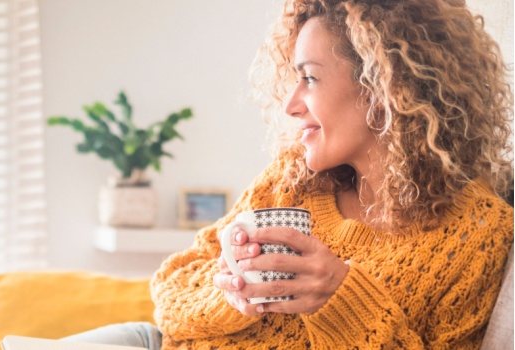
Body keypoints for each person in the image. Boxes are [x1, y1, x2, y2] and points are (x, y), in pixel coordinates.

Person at [63, 0, 513, 348]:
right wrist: (230, 291)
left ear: (384, 87)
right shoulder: (292, 178)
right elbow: (170, 291)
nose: (290, 104)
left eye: (310, 78)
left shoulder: (475, 234)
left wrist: (342, 299)